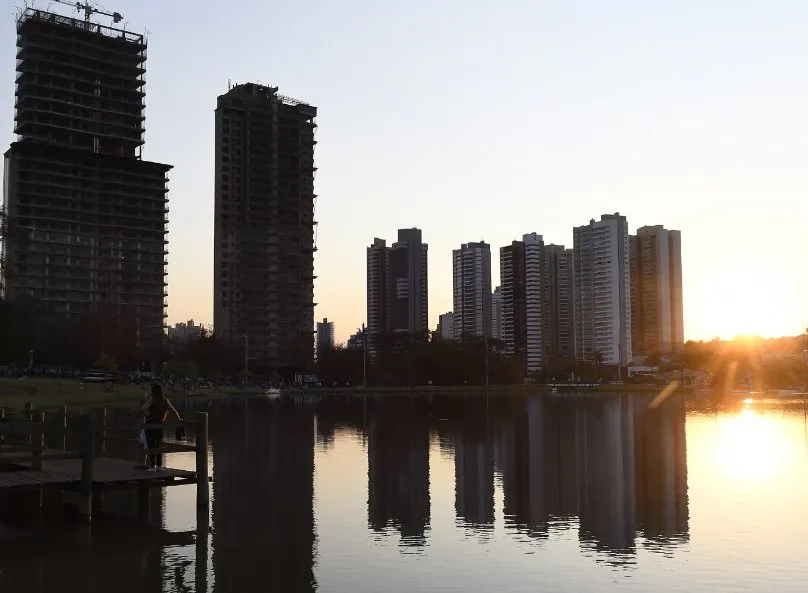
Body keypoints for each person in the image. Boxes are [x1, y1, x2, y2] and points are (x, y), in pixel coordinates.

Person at [140, 382, 181, 471]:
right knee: (158, 445)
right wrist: (179, 419)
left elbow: (142, 408)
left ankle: (152, 466)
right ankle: (159, 466)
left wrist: (148, 415)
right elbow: (174, 411)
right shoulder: (165, 401)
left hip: (150, 425)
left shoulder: (151, 400)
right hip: (160, 425)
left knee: (151, 445)